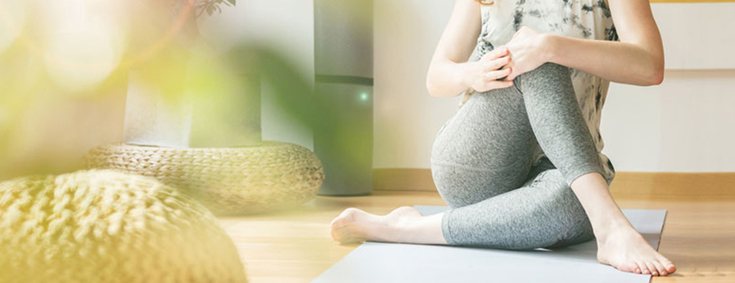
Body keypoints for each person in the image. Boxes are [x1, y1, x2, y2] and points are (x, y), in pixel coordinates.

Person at [330, 0, 676, 276]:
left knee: (572, 204)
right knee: (534, 57)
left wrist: (552, 45)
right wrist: (473, 73)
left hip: (563, 171)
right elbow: (437, 77)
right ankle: (611, 227)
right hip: (475, 164)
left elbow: (650, 65)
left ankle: (407, 229)